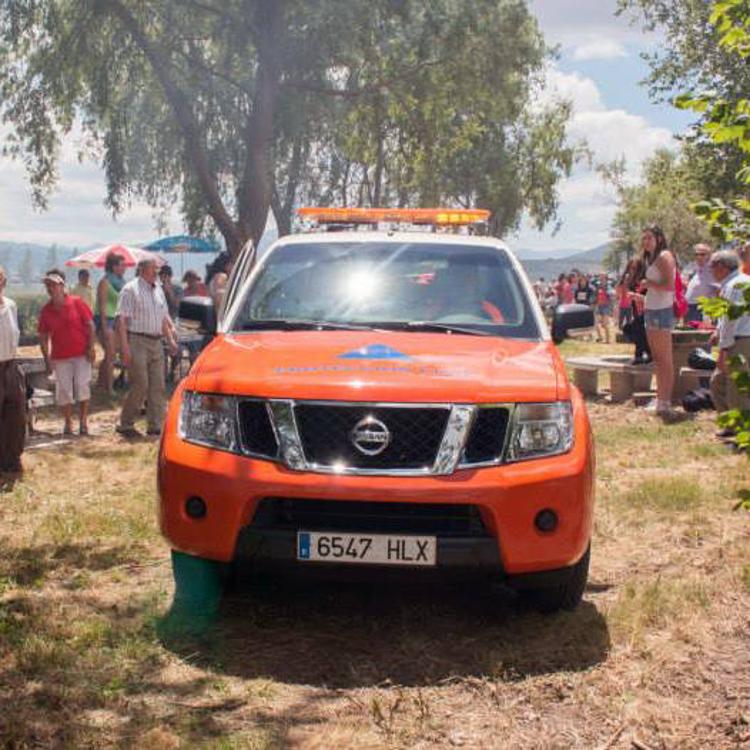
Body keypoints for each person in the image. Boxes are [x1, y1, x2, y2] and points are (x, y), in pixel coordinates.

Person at [116, 259, 179, 438]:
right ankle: (126, 423)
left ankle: (154, 425)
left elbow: (163, 317)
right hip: (138, 340)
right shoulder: (130, 289)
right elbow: (122, 321)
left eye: (157, 269)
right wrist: (125, 348)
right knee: (140, 384)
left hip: (156, 342)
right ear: (143, 269)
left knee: (158, 385)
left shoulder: (158, 289)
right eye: (153, 269)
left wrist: (171, 340)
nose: (156, 272)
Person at [38, 269, 96, 435]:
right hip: (60, 356)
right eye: (48, 285)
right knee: (64, 391)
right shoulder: (46, 310)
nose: (50, 288)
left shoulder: (77, 302)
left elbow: (90, 325)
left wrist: (91, 347)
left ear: (62, 286)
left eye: (53, 285)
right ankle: (68, 423)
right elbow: (43, 336)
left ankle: (83, 422)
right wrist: (47, 358)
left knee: (82, 385)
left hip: (81, 353)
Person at [708, 251, 750, 437]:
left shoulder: (735, 285)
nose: (710, 270)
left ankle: (742, 433)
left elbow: (731, 319)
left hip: (740, 341)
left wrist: (724, 349)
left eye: (712, 266)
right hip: (739, 338)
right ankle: (732, 426)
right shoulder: (737, 283)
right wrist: (718, 332)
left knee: (736, 390)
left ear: (721, 266)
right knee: (718, 383)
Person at [636, 225, 676, 415]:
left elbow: (669, 285)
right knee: (658, 359)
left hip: (661, 311)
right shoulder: (652, 258)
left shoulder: (664, 256)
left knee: (664, 359)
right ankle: (660, 398)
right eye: (644, 238)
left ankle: (665, 401)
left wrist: (648, 283)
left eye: (649, 237)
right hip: (652, 309)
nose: (646, 241)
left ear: (659, 238)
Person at [0, 266, 25, 475]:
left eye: (1, 279)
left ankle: (11, 459)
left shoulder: (11, 305)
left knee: (15, 415)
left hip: (10, 365)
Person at [96, 252, 126, 394]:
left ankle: (101, 384)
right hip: (105, 320)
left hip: (115, 320)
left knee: (111, 354)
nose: (124, 268)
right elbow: (101, 306)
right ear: (114, 267)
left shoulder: (121, 283)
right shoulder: (105, 282)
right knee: (111, 354)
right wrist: (104, 327)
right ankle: (109, 387)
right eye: (122, 265)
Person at [685, 243, 718, 323]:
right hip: (690, 307)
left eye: (702, 254)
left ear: (709, 255)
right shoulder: (695, 268)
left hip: (701, 308)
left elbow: (718, 289)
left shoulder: (712, 270)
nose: (699, 257)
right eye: (696, 254)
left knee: (698, 333)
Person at [594, 272, 614, 344]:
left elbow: (612, 295)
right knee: (596, 323)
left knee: (605, 324)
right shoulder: (597, 285)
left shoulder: (608, 286)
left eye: (603, 277)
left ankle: (607, 340)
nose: (601, 278)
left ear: (606, 278)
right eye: (600, 277)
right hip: (599, 306)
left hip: (606, 306)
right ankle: (600, 337)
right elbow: (595, 295)